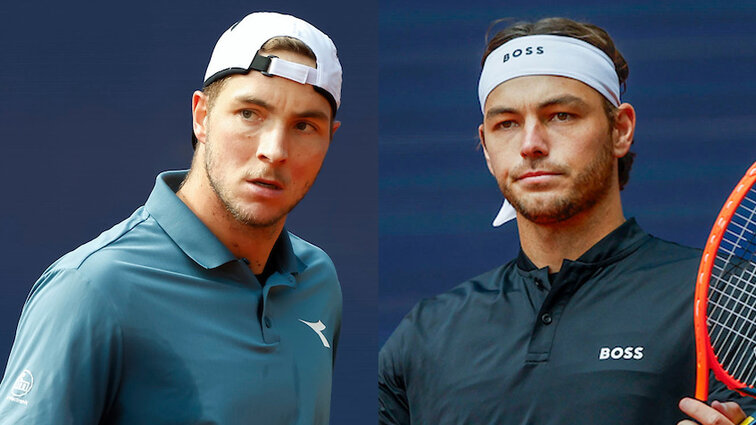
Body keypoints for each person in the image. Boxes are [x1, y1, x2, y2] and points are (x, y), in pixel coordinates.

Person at [378, 17, 756, 424]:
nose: (530, 145)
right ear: (486, 147)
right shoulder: (426, 333)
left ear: (620, 130)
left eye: (560, 115)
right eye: (507, 124)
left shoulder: (730, 296)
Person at [0, 12, 343, 424]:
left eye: (304, 125)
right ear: (202, 117)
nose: (275, 150)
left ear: (329, 139)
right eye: (250, 114)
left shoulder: (318, 280)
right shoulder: (92, 288)